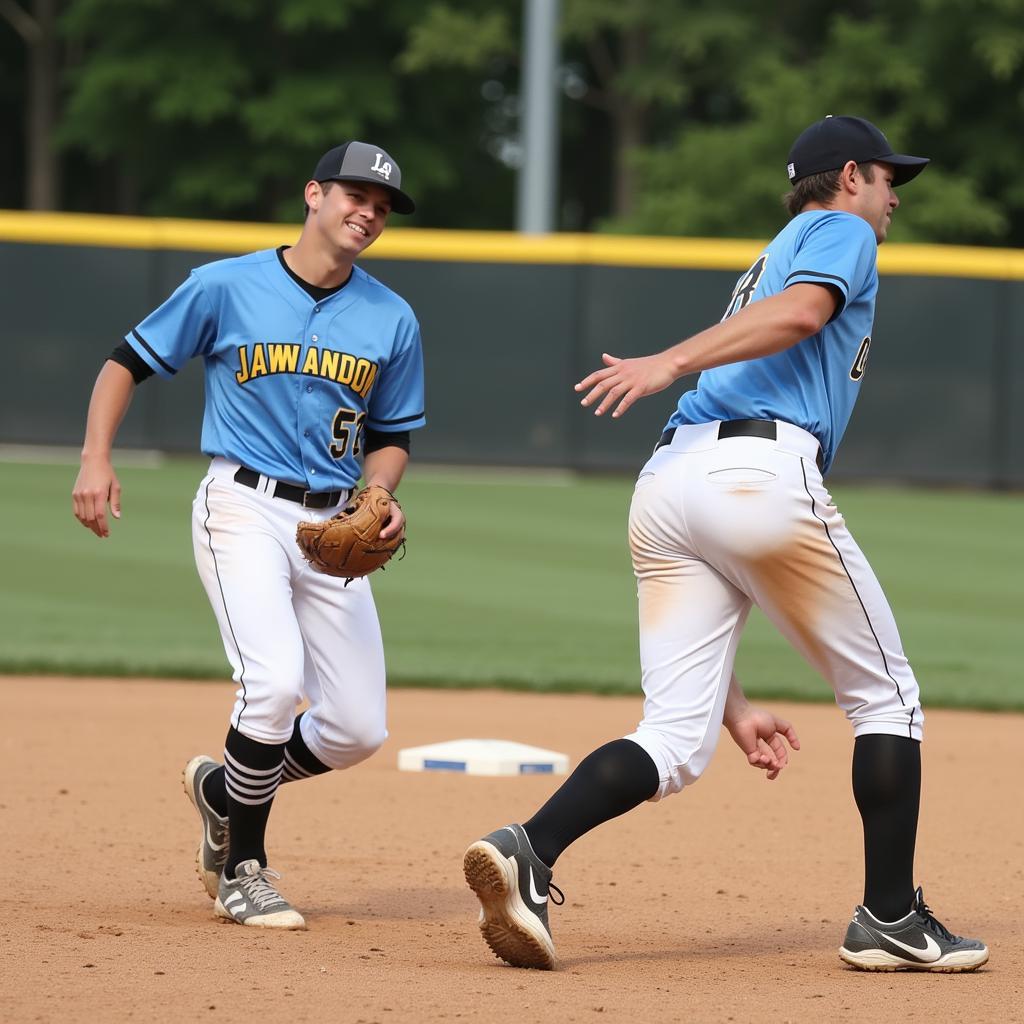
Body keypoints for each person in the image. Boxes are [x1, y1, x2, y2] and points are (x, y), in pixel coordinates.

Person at [463, 115, 989, 973]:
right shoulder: (838, 229)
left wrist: (734, 703)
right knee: (887, 700)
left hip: (671, 481)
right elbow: (807, 312)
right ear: (849, 175)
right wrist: (669, 362)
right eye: (890, 178)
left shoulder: (775, 247)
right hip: (755, 468)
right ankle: (892, 917)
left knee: (676, 734)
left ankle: (530, 847)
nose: (895, 196)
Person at [72, 141, 425, 930]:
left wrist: (379, 491)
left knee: (357, 728)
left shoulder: (390, 316)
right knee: (270, 685)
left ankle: (221, 790)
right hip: (243, 504)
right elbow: (123, 363)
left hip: (334, 517)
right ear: (313, 194)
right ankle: (244, 868)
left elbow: (393, 433)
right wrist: (96, 459)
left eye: (381, 206)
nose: (367, 212)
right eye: (354, 195)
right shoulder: (225, 285)